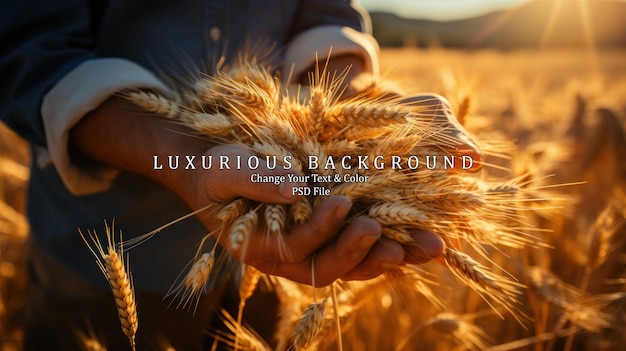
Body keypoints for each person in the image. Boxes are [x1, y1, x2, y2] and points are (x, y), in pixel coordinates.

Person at [0, 0, 475, 349]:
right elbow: (31, 52)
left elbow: (325, 17)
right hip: (106, 259)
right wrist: (185, 155)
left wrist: (348, 110)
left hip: (271, 252)